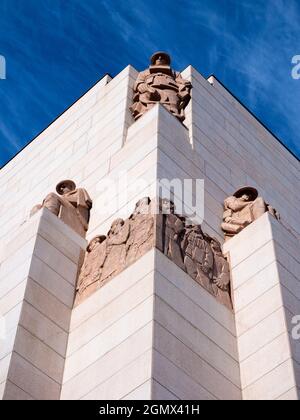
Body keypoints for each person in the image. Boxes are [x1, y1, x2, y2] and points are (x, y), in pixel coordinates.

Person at [130, 51, 192, 122]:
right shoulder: (144, 72)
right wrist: (141, 86)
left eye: (162, 57)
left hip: (170, 90)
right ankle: (145, 112)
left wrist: (185, 84)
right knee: (148, 103)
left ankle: (173, 114)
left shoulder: (175, 73)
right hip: (151, 89)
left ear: (166, 61)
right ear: (154, 61)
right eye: (157, 57)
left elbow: (180, 81)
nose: (159, 58)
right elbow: (138, 82)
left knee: (172, 105)